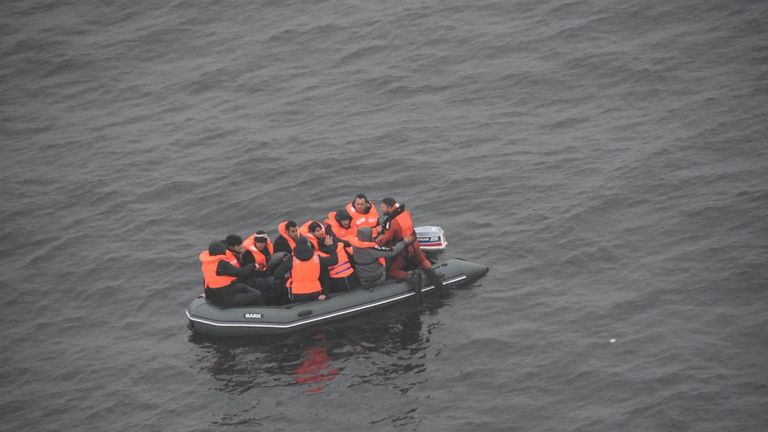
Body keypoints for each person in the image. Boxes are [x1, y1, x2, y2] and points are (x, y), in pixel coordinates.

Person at [377, 197, 443, 290]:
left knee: (391, 271)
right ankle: (434, 274)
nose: (381, 209)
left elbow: (385, 240)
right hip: (415, 245)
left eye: (383, 207)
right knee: (423, 261)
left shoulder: (393, 222)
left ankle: (410, 277)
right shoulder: (406, 212)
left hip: (404, 251)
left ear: (389, 208)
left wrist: (379, 234)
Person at [199, 240, 264, 307]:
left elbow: (206, 282)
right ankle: (261, 312)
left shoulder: (206, 264)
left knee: (243, 287)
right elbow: (240, 272)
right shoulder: (222, 264)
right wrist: (253, 266)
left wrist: (207, 294)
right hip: (225, 299)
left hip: (218, 293)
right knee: (257, 295)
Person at [284, 236, 338, 302]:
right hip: (315, 292)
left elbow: (278, 273)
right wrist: (330, 245)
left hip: (297, 294)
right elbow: (334, 260)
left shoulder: (290, 259)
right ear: (308, 244)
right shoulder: (317, 258)